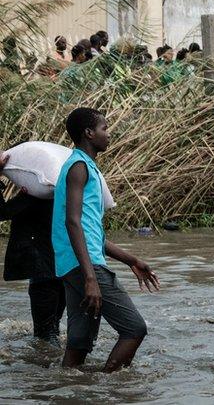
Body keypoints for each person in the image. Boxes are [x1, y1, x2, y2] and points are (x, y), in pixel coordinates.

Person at [52, 108, 158, 372]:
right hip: (85, 267)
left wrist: (131, 259)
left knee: (79, 342)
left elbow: (90, 232)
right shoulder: (78, 167)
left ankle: (70, 390)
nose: (108, 134)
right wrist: (90, 277)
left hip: (72, 265)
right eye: (104, 129)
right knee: (134, 328)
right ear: (89, 133)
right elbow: (72, 222)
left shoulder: (84, 166)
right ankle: (108, 389)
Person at [0, 152, 64, 346]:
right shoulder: (62, 198)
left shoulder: (33, 197)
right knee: (53, 329)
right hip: (62, 272)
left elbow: (2, 213)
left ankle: (47, 372)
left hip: (42, 275)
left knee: (44, 337)